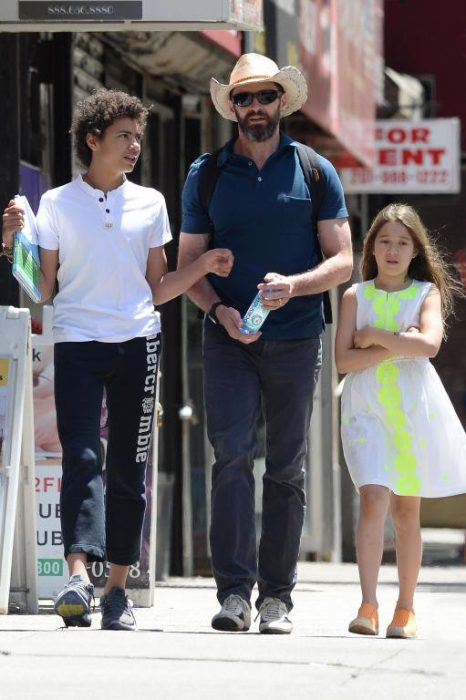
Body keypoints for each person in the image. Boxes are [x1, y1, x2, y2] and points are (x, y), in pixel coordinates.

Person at [1, 88, 233, 631]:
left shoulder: (151, 203)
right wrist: (11, 242)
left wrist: (203, 269)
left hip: (138, 343)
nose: (134, 147)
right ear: (93, 140)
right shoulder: (57, 203)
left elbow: (155, 289)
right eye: (124, 136)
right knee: (80, 459)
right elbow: (45, 287)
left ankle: (118, 591)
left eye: (138, 138)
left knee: (130, 469)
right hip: (77, 341)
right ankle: (78, 577)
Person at [177, 53, 352, 634]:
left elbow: (345, 261)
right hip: (228, 338)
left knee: (286, 468)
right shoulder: (206, 173)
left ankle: (277, 598)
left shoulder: (315, 171)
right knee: (230, 460)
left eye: (265, 97)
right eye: (244, 98)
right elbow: (186, 268)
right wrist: (221, 309)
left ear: (282, 102)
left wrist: (294, 286)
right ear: (232, 107)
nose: (255, 107)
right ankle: (233, 594)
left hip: (298, 339)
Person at [335, 203, 466, 639]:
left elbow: (428, 346)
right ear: (371, 247)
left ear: (415, 250)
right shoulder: (356, 295)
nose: (392, 250)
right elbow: (343, 360)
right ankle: (367, 603)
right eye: (384, 241)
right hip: (365, 411)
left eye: (402, 243)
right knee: (373, 497)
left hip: (412, 413)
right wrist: (395, 345)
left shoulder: (426, 293)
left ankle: (405, 609)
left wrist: (375, 338)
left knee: (408, 509)